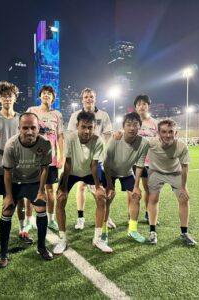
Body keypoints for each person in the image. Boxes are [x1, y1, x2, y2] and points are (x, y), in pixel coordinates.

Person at [0, 112, 53, 268]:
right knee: (6, 211)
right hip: (14, 182)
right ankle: (3, 253)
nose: (29, 131)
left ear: (38, 128)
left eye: (33, 127)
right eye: (25, 128)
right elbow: (7, 172)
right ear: (19, 128)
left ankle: (41, 247)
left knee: (41, 208)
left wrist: (41, 191)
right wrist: (8, 196)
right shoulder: (11, 145)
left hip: (34, 182)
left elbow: (44, 169)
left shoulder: (45, 144)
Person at [54, 111, 112, 255]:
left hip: (89, 172)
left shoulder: (98, 141)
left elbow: (94, 165)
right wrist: (62, 187)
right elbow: (67, 164)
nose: (87, 131)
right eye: (83, 127)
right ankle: (63, 239)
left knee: (101, 198)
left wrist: (98, 187)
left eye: (90, 127)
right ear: (77, 126)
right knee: (60, 199)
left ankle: (97, 239)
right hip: (72, 171)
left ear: (94, 127)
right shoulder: (69, 137)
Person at [0, 81, 32, 250]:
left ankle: (23, 230)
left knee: (20, 201)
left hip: (18, 168)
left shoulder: (21, 118)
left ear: (15, 98)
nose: (7, 98)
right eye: (3, 96)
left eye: (10, 96)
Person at [67, 88, 113, 230]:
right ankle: (81, 218)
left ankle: (105, 216)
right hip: (81, 157)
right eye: (86, 96)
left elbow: (108, 134)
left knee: (98, 188)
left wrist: (104, 150)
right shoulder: (75, 115)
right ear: (82, 99)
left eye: (91, 96)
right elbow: (70, 134)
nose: (89, 99)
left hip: (97, 157)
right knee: (81, 186)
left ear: (95, 98)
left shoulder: (103, 115)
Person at [146, 119, 197, 246]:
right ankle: (152, 231)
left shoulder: (181, 146)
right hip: (156, 172)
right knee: (153, 198)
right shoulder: (151, 143)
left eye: (171, 132)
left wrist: (184, 187)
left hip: (175, 173)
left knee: (184, 199)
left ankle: (184, 232)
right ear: (158, 132)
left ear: (176, 133)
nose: (167, 135)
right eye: (163, 131)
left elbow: (185, 167)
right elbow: (133, 141)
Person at [102, 112, 149, 244]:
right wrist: (110, 185)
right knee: (107, 198)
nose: (132, 128)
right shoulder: (115, 139)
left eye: (135, 125)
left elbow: (140, 165)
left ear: (140, 127)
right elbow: (106, 164)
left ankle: (132, 230)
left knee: (136, 196)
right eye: (128, 125)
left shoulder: (144, 143)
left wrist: (136, 187)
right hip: (109, 171)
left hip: (127, 172)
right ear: (123, 127)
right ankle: (103, 231)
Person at [27, 85, 64, 232]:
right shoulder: (32, 111)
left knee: (50, 190)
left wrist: (61, 156)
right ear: (40, 96)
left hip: (51, 158)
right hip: (33, 158)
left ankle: (51, 219)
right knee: (32, 189)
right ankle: (29, 221)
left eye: (49, 94)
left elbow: (60, 136)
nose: (46, 95)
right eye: (44, 93)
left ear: (53, 98)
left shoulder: (57, 115)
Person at [134, 94, 158, 224]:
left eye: (144, 104)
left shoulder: (155, 123)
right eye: (138, 104)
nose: (141, 106)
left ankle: (148, 213)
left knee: (148, 189)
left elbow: (160, 142)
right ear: (136, 107)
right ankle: (132, 215)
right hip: (136, 162)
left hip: (151, 162)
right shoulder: (133, 123)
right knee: (133, 190)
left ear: (148, 106)